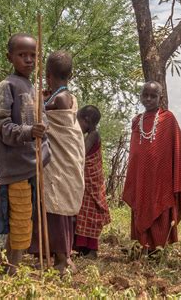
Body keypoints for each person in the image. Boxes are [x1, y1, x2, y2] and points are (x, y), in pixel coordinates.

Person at [0, 33, 51, 275]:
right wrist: (28, 131)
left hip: (35, 165)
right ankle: (10, 267)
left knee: (26, 220)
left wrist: (44, 144)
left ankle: (13, 266)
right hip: (16, 167)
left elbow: (42, 124)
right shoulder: (7, 86)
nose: (28, 60)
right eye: (22, 55)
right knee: (18, 218)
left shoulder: (34, 87)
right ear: (10, 57)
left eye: (33, 55)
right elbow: (2, 127)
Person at [28, 50, 84, 274]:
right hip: (56, 160)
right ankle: (51, 255)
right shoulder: (58, 94)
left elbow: (40, 112)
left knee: (57, 206)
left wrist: (38, 101)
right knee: (49, 206)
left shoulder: (60, 98)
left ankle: (63, 259)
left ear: (48, 74)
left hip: (61, 161)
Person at [122, 81, 181, 253]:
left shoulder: (168, 119)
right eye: (145, 95)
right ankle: (140, 248)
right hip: (141, 177)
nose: (148, 99)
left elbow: (178, 150)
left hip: (161, 178)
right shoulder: (137, 121)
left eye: (153, 96)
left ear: (160, 98)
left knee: (160, 209)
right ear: (140, 96)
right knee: (140, 206)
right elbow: (135, 154)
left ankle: (157, 250)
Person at [75, 105, 111, 259]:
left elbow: (81, 154)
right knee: (83, 214)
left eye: (78, 122)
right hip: (87, 184)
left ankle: (92, 250)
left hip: (90, 183)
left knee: (89, 215)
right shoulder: (92, 134)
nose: (77, 126)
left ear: (87, 120)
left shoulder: (93, 136)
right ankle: (82, 249)